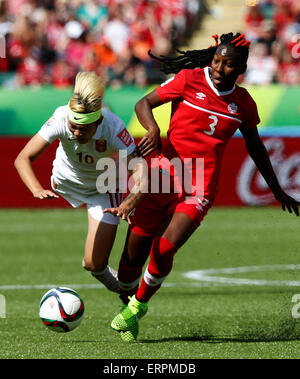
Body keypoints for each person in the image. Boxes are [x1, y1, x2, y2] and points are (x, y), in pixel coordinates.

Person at [104, 32, 300, 342]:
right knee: (129, 266)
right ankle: (129, 300)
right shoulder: (188, 80)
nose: (220, 69)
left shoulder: (244, 104)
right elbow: (144, 103)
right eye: (218, 61)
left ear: (242, 68)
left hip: (200, 186)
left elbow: (257, 148)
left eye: (229, 65)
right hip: (160, 179)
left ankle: (137, 309)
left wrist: (276, 190)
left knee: (166, 247)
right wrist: (153, 128)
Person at [14, 71, 142, 293]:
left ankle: (123, 290)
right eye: (73, 126)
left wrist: (129, 202)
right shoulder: (62, 117)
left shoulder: (114, 127)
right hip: (64, 182)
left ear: (98, 121)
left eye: (83, 128)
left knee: (93, 263)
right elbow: (22, 158)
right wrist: (36, 188)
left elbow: (141, 172)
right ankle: (127, 292)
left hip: (103, 189)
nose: (75, 132)